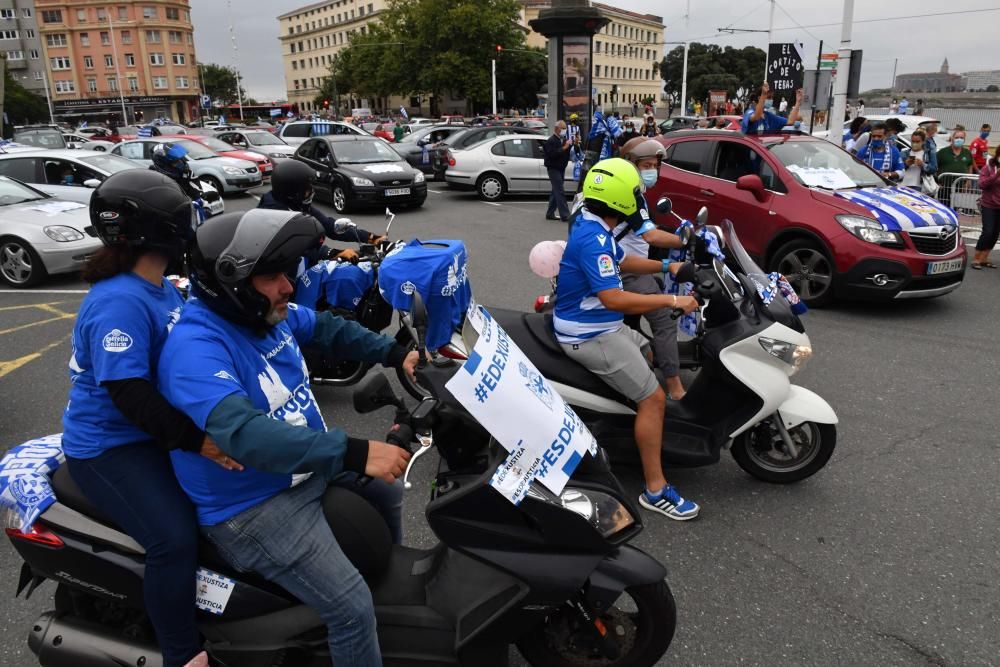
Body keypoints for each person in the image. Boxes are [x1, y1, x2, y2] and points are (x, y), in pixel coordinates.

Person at [159, 209, 418, 666]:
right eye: (271, 276)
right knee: (351, 606)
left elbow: (325, 328)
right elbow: (245, 434)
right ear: (232, 283)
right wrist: (355, 452)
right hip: (253, 504)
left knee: (387, 493)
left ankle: (391, 608)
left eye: (284, 273)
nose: (288, 286)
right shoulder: (195, 348)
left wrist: (398, 354)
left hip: (300, 471)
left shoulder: (262, 315)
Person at [61, 171, 237, 667]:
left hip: (149, 432)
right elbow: (128, 392)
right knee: (173, 539)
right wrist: (196, 440)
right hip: (110, 447)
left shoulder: (158, 287)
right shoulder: (120, 299)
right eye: (183, 221)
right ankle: (183, 654)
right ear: (159, 231)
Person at [553, 158, 700, 520]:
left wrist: (668, 266)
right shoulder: (592, 237)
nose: (640, 196)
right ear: (621, 198)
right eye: (635, 192)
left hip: (603, 325)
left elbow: (622, 262)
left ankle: (626, 435)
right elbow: (613, 298)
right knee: (654, 398)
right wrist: (671, 298)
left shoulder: (595, 226)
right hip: (591, 333)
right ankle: (655, 489)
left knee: (650, 355)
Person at [617, 139, 689, 399]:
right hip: (626, 272)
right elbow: (650, 237)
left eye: (655, 166)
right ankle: (675, 387)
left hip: (633, 268)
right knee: (666, 318)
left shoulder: (632, 191)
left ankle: (642, 359)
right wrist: (686, 239)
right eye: (646, 165)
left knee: (654, 289)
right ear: (629, 165)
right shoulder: (628, 194)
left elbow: (644, 232)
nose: (652, 171)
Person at [259, 160, 379, 308]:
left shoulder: (297, 205)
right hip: (287, 274)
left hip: (307, 264)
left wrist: (372, 238)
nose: (311, 191)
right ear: (293, 192)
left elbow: (329, 226)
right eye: (307, 188)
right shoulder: (274, 216)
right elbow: (297, 248)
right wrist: (333, 253)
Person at [973, 146, 1000, 269]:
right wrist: (996, 175)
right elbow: (982, 184)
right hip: (988, 204)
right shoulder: (988, 167)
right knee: (988, 231)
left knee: (995, 233)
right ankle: (976, 258)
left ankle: (984, 258)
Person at [543, 120, 572, 222]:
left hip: (561, 168)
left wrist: (572, 145)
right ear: (556, 129)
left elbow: (566, 153)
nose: (564, 131)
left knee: (555, 191)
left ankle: (550, 213)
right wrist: (564, 147)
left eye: (565, 129)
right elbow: (552, 154)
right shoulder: (551, 141)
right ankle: (565, 215)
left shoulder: (562, 140)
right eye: (562, 128)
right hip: (553, 168)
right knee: (559, 190)